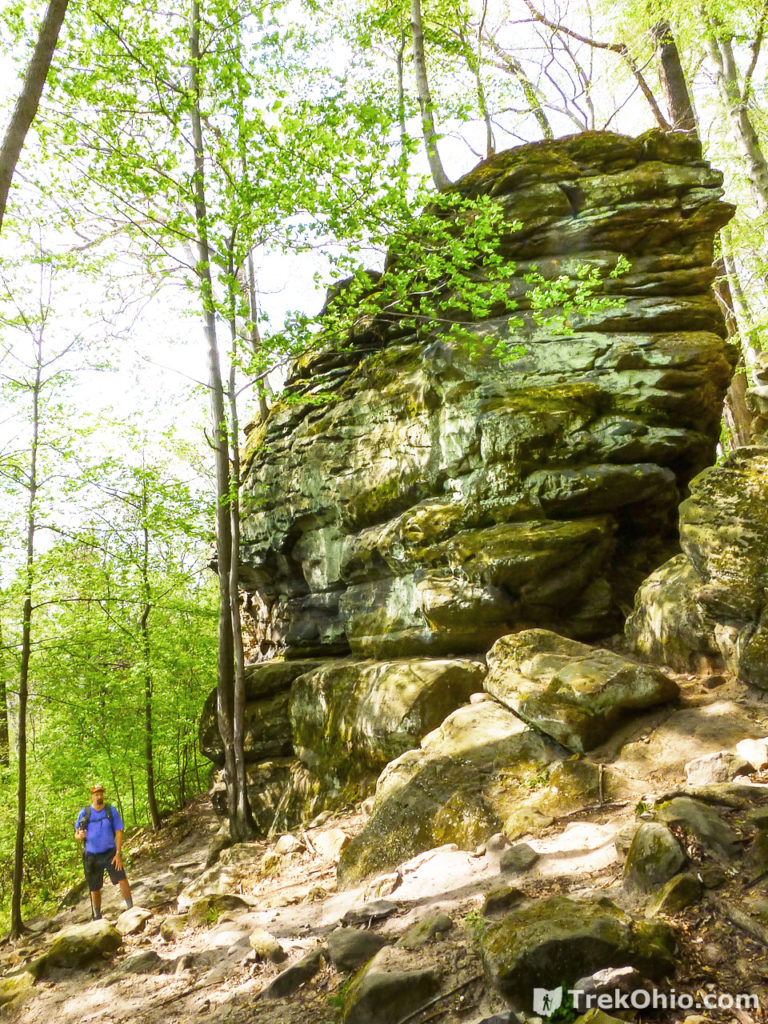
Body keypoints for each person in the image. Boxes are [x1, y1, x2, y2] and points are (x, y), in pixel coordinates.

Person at [74, 783, 133, 920]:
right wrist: (79, 836)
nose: (99, 796)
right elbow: (76, 834)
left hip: (110, 853)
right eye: (96, 794)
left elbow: (119, 832)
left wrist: (118, 853)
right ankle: (97, 916)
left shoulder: (110, 811)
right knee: (94, 886)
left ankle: (131, 908)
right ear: (92, 797)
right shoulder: (85, 813)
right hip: (91, 855)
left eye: (101, 794)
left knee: (121, 878)